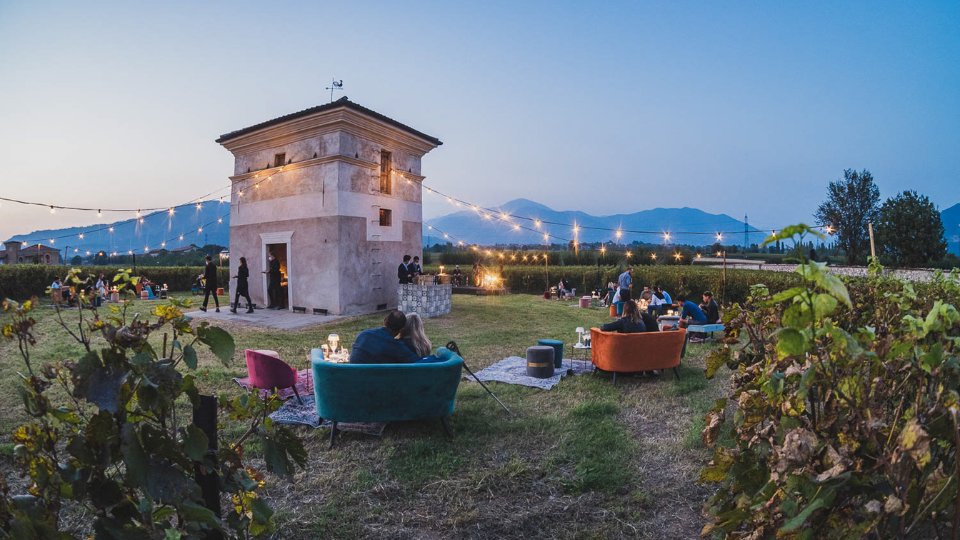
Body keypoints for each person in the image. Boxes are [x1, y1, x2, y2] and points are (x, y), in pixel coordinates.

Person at [349, 310, 420, 364]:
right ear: (401, 329)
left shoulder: (363, 335)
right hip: (374, 381)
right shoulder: (395, 346)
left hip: (354, 379)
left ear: (385, 321)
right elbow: (417, 363)